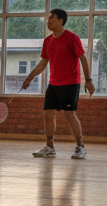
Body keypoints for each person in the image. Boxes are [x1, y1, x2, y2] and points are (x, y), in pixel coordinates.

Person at [21, 8, 95, 159]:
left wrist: (88, 80)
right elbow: (43, 62)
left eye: (51, 18)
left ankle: (80, 147)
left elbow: (83, 59)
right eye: (48, 18)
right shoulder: (47, 41)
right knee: (48, 114)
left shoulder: (72, 38)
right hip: (53, 84)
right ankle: (50, 147)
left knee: (69, 114)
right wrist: (29, 77)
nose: (48, 21)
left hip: (70, 83)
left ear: (60, 21)